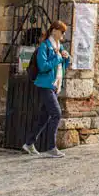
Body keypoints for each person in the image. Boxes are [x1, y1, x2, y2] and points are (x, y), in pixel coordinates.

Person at [21, 21, 72, 158]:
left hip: (54, 85)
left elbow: (61, 66)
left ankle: (29, 143)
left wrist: (66, 58)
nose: (63, 34)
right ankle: (51, 147)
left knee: (44, 117)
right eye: (62, 31)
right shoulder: (45, 46)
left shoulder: (58, 46)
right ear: (54, 31)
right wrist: (58, 58)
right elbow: (43, 66)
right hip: (45, 85)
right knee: (56, 113)